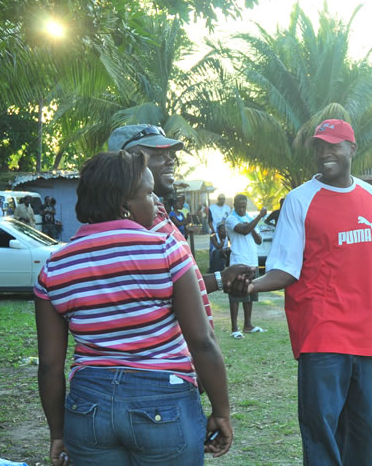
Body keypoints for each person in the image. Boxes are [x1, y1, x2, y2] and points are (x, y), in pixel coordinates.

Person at [34, 151, 233, 466]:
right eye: (148, 193)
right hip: (163, 404)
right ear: (124, 205)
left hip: (88, 410)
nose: (156, 201)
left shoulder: (55, 267)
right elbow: (202, 340)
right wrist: (221, 412)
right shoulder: (166, 250)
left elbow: (49, 365)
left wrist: (58, 433)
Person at [228, 118, 372, 466]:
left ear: (352, 149)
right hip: (321, 335)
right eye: (320, 146)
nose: (325, 153)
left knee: (362, 432)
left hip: (365, 337)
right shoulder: (299, 200)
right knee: (322, 433)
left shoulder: (369, 197)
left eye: (334, 145)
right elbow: (286, 269)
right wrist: (253, 285)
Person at [107, 124, 255, 324]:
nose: (171, 160)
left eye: (169, 153)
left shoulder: (157, 211)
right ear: (126, 161)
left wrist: (222, 278)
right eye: (157, 153)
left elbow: (177, 284)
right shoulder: (129, 224)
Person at [225, 194, 267, 339]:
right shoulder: (231, 219)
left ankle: (248, 325)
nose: (242, 209)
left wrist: (252, 223)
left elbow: (259, 240)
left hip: (252, 261)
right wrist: (259, 217)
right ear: (234, 205)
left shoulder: (248, 217)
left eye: (244, 206)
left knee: (249, 293)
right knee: (236, 294)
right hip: (238, 261)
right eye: (239, 206)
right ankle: (234, 328)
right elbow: (243, 231)